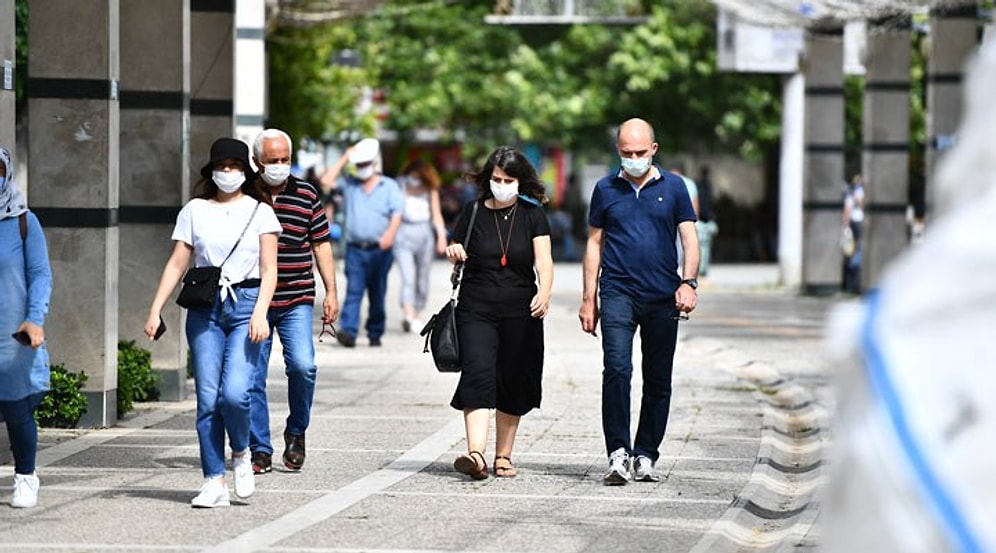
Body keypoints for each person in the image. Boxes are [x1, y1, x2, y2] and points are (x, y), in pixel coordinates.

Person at [144, 137, 282, 508]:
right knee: (207, 399)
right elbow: (178, 262)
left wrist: (260, 313)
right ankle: (213, 481)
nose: (229, 173)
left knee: (236, 394)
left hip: (247, 304)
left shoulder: (261, 212)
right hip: (205, 309)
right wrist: (156, 308)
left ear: (246, 171)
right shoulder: (195, 210)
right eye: (222, 166)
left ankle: (240, 453)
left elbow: (270, 270)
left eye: (236, 166)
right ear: (212, 170)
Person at [579, 118, 700, 485]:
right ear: (618, 151)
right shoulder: (605, 189)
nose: (633, 159)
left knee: (658, 379)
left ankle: (645, 454)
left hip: (663, 296)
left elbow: (690, 239)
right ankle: (618, 452)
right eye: (627, 153)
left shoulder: (675, 187)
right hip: (617, 292)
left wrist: (688, 282)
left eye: (640, 153)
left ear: (654, 149)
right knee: (617, 370)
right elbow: (594, 244)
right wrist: (589, 298)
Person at [444, 145, 553, 480]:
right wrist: (454, 250)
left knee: (512, 378)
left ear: (520, 182)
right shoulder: (473, 211)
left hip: (521, 310)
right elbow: (455, 245)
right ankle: (475, 454)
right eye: (496, 178)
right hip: (476, 307)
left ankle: (503, 456)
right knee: (477, 373)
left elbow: (544, 261)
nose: (501, 184)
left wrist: (545, 292)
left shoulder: (533, 215)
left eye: (508, 179)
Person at [248, 129, 340, 474]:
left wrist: (331, 291)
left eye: (285, 159)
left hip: (296, 297)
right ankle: (259, 448)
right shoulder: (246, 194)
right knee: (253, 375)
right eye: (273, 161)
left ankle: (296, 431)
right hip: (253, 298)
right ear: (258, 162)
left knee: (303, 365)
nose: (280, 166)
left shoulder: (305, 193)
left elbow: (321, 244)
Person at [0, 147, 52, 509]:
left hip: (10, 331)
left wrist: (35, 317)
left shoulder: (22, 220)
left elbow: (40, 273)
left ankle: (25, 476)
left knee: (16, 408)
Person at [319, 138, 403, 348]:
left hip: (380, 249)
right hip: (355, 248)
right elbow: (326, 180)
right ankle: (349, 331)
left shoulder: (389, 186)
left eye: (365, 164)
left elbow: (397, 213)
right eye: (359, 165)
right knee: (354, 290)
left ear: (374, 163)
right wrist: (346, 156)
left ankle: (375, 332)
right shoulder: (349, 184)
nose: (362, 168)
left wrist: (390, 235)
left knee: (377, 292)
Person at [394, 159, 448, 332]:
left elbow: (436, 214)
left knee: (422, 278)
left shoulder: (429, 189)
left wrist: (441, 236)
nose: (415, 180)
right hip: (403, 231)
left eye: (418, 177)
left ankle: (417, 312)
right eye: (413, 176)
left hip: (424, 232)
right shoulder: (400, 185)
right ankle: (408, 314)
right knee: (408, 276)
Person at [841, 174, 865, 294]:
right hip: (859, 222)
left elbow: (848, 209)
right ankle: (854, 283)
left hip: (854, 222)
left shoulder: (851, 193)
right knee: (857, 250)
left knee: (853, 252)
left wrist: (845, 225)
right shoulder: (859, 192)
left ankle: (851, 284)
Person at [695, 165, 719, 277]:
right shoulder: (703, 186)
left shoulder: (705, 186)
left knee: (705, 245)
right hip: (702, 219)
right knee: (703, 245)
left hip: (705, 219)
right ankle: (701, 269)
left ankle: (703, 269)